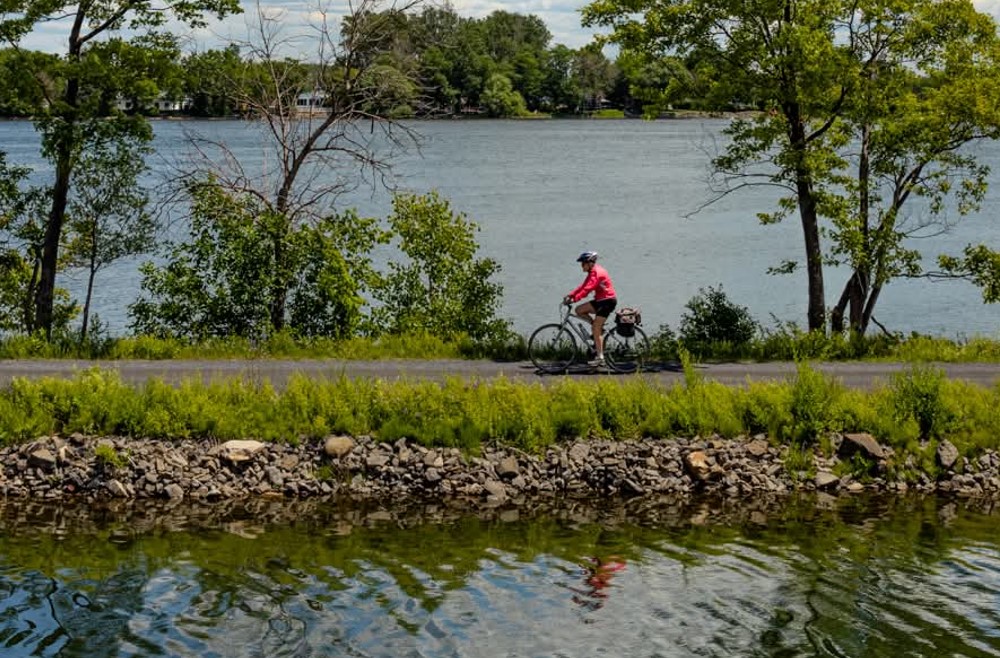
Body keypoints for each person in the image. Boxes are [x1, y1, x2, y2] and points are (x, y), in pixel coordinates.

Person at [563, 250, 618, 367]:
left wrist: (574, 299)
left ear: (590, 263)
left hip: (607, 302)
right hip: (600, 300)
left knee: (595, 329)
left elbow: (587, 290)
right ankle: (598, 328)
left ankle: (600, 358)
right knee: (579, 310)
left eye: (583, 263)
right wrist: (571, 294)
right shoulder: (593, 272)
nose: (581, 266)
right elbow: (582, 287)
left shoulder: (596, 273)